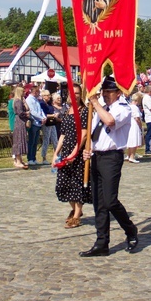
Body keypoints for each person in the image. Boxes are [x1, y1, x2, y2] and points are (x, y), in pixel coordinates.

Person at [79, 76, 139, 257]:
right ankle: (102, 242)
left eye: (109, 92)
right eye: (103, 91)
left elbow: (110, 121)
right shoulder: (100, 108)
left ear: (118, 92)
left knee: (110, 200)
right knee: (99, 203)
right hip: (97, 156)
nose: (105, 94)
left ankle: (130, 229)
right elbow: (94, 134)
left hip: (112, 158)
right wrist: (87, 150)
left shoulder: (123, 108)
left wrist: (95, 102)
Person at [52, 83, 91, 228]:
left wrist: (75, 152)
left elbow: (85, 134)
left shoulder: (84, 111)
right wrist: (56, 153)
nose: (74, 95)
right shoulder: (67, 111)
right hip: (66, 151)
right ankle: (75, 210)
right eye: (72, 93)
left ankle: (76, 216)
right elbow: (62, 134)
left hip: (78, 152)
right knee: (62, 184)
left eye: (77, 93)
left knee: (76, 184)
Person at [26, 85, 46, 166]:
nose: (39, 93)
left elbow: (40, 110)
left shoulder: (36, 100)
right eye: (38, 92)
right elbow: (32, 111)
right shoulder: (29, 100)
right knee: (31, 141)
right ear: (34, 92)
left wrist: (44, 117)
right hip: (34, 122)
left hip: (38, 123)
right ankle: (30, 158)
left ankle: (34, 158)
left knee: (35, 142)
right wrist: (41, 118)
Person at [11, 86, 29, 169]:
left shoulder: (20, 100)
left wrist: (25, 102)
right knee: (19, 140)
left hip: (21, 121)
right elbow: (20, 112)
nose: (24, 93)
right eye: (23, 92)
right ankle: (17, 161)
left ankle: (19, 159)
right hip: (19, 122)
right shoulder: (18, 101)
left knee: (21, 140)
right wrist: (26, 114)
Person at [39, 89, 58, 165]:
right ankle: (44, 157)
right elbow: (43, 114)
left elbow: (52, 110)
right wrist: (53, 115)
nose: (49, 96)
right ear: (43, 96)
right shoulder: (41, 104)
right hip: (46, 123)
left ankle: (57, 156)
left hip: (52, 123)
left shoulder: (49, 104)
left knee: (55, 139)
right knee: (46, 140)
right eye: (48, 95)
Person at [126, 92, 143, 163]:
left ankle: (129, 155)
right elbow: (137, 119)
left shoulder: (128, 106)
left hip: (129, 124)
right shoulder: (135, 108)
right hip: (134, 124)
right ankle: (132, 156)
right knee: (134, 140)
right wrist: (140, 126)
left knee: (130, 140)